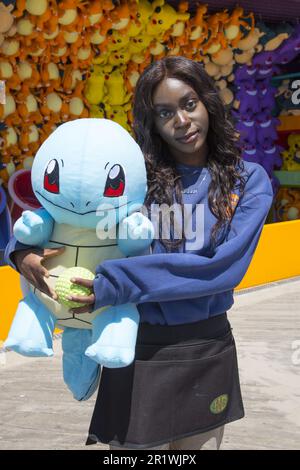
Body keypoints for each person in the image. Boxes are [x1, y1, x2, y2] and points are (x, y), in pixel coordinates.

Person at [5, 56, 273, 450]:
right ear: (152, 122)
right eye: (165, 112)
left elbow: (222, 268)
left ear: (207, 103)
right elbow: (69, 211)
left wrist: (111, 285)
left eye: (188, 103)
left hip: (206, 345)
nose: (181, 121)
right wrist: (20, 251)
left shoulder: (246, 181)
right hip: (135, 346)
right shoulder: (134, 181)